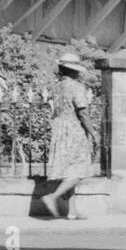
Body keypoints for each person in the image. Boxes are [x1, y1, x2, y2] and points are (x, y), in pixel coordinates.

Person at [41, 53, 97, 220]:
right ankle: (52, 197)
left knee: (70, 171)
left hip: (59, 129)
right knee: (80, 169)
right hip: (74, 130)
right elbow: (83, 112)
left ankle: (71, 211)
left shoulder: (56, 87)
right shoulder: (77, 87)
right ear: (74, 71)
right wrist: (93, 133)